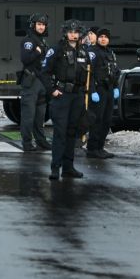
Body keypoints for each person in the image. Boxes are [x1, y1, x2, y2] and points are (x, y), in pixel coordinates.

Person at [43, 19, 93, 180]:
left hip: (77, 96)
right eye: (70, 32)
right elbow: (45, 72)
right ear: (65, 33)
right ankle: (55, 168)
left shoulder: (83, 52)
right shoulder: (56, 49)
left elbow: (88, 74)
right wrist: (52, 90)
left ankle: (68, 167)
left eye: (76, 32)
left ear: (80, 34)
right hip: (62, 95)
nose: (73, 35)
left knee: (73, 132)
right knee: (60, 132)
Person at [18, 13, 52, 152]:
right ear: (33, 25)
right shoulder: (29, 41)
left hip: (42, 82)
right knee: (29, 115)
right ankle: (27, 143)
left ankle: (41, 141)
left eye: (43, 25)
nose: (41, 27)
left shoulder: (43, 41)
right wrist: (37, 52)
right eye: (39, 24)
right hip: (31, 81)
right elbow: (25, 59)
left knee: (40, 116)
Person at [86, 28, 121, 159]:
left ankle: (100, 147)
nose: (103, 39)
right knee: (97, 120)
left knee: (107, 121)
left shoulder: (110, 53)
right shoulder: (92, 52)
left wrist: (116, 87)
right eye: (101, 36)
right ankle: (92, 148)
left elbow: (115, 71)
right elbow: (89, 74)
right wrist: (92, 91)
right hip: (98, 89)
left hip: (109, 89)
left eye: (106, 37)